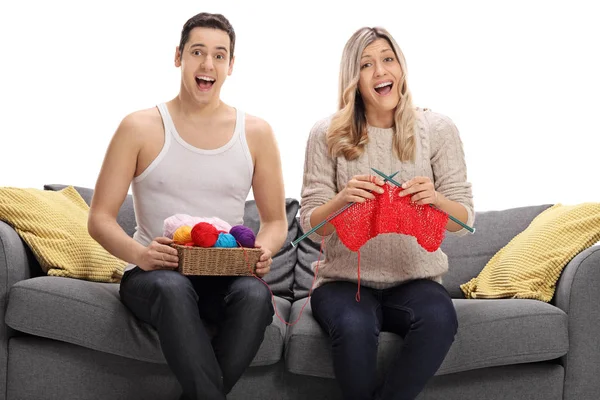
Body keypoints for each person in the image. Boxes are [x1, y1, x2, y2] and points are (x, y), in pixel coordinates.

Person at [88, 12, 287, 400]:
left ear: (231, 65)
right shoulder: (139, 127)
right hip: (153, 278)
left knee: (256, 296)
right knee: (173, 286)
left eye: (219, 55)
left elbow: (276, 221)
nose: (207, 64)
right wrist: (141, 255)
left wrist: (264, 250)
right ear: (179, 56)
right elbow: (99, 218)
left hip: (223, 274)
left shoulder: (257, 133)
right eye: (197, 52)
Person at [299, 26, 474, 400]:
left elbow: (464, 222)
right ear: (353, 78)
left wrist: (437, 200)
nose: (380, 71)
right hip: (344, 283)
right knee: (353, 326)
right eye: (366, 64)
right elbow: (310, 226)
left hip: (416, 280)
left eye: (387, 59)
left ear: (401, 68)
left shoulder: (437, 129)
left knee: (440, 319)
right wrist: (342, 201)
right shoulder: (325, 134)